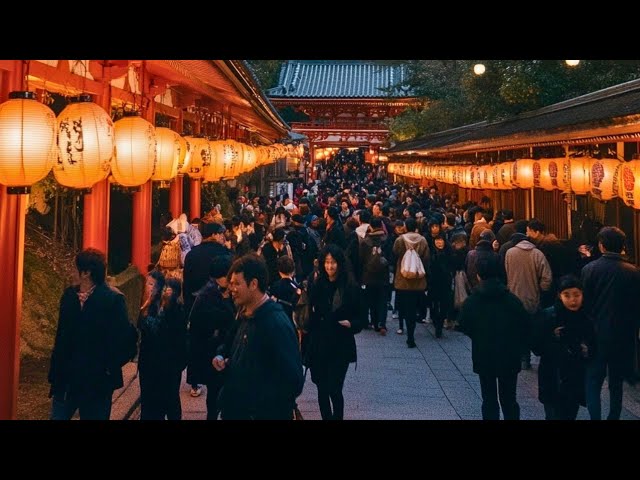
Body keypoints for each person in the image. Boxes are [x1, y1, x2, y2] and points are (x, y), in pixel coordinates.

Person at [48, 248, 136, 420]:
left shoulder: (112, 300)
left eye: (75, 268)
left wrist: (108, 367)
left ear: (86, 273)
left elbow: (126, 340)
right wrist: (55, 373)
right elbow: (61, 337)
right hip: (67, 378)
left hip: (97, 381)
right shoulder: (69, 296)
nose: (72, 272)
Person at [213, 254, 304, 420]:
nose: (231, 289)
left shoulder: (275, 323)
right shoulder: (244, 314)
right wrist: (223, 357)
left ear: (253, 284)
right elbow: (230, 346)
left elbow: (293, 381)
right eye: (231, 284)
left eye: (236, 284)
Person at [458, 255, 528, 420]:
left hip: (484, 354)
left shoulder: (472, 301)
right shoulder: (512, 300)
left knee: (489, 398)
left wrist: (478, 335)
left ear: (479, 275)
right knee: (509, 398)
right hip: (509, 355)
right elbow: (524, 324)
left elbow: (463, 325)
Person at [581, 226, 640, 420]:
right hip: (623, 334)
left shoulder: (589, 269)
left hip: (596, 333)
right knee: (616, 381)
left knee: (594, 380)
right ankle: (613, 416)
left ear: (601, 245)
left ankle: (595, 416)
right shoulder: (633, 272)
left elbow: (585, 304)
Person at [307, 244, 362, 420]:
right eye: (327, 262)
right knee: (322, 388)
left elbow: (361, 318)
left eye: (333, 262)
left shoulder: (350, 287)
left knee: (335, 388)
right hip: (319, 343)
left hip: (340, 344)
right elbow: (310, 314)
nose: (330, 267)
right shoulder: (316, 285)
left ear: (340, 264)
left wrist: (351, 324)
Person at [532, 275, 595, 420]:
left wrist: (587, 350)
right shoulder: (549, 316)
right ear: (559, 296)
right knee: (553, 414)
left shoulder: (586, 318)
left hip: (575, 378)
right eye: (567, 295)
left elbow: (595, 346)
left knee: (570, 414)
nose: (573, 300)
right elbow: (536, 346)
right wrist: (552, 338)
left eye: (576, 295)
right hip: (552, 377)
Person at [188, 256, 235, 420]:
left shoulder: (222, 293)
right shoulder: (208, 296)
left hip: (222, 351)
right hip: (213, 352)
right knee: (215, 395)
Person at [138, 277, 188, 420]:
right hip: (154, 365)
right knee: (157, 404)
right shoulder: (155, 306)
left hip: (164, 366)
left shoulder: (173, 311)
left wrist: (146, 309)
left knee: (166, 402)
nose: (149, 288)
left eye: (151, 284)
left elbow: (158, 330)